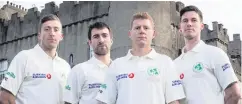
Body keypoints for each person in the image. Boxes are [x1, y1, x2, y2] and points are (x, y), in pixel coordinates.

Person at [96, 12, 185, 104]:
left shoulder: (165, 62)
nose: (142, 31)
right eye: (137, 28)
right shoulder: (116, 65)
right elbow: (104, 101)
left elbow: (173, 101)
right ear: (130, 34)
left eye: (146, 28)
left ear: (153, 34)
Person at [174, 5, 241, 104]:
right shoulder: (174, 64)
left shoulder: (215, 54)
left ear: (201, 26)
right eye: (185, 21)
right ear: (180, 27)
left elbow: (234, 94)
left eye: (193, 20)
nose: (189, 24)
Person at [0, 14, 71, 104]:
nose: (52, 33)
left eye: (56, 30)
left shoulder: (65, 67)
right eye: (47, 29)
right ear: (39, 35)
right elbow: (5, 98)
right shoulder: (24, 58)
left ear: (61, 36)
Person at [64, 22, 113, 104]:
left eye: (104, 35)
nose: (101, 40)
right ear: (90, 42)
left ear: (111, 40)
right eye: (96, 36)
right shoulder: (79, 71)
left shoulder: (119, 69)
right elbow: (69, 102)